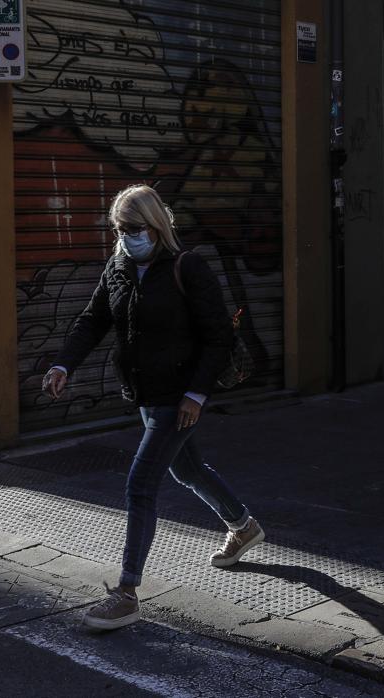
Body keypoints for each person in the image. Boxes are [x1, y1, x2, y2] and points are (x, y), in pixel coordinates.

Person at [41, 184, 265, 631]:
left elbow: (219, 336)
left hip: (179, 397)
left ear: (156, 226)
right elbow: (93, 319)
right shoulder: (119, 267)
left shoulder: (188, 267)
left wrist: (196, 395)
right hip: (146, 393)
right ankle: (243, 527)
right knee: (187, 471)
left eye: (134, 228)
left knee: (141, 484)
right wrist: (64, 362)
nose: (126, 236)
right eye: (119, 229)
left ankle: (126, 593)